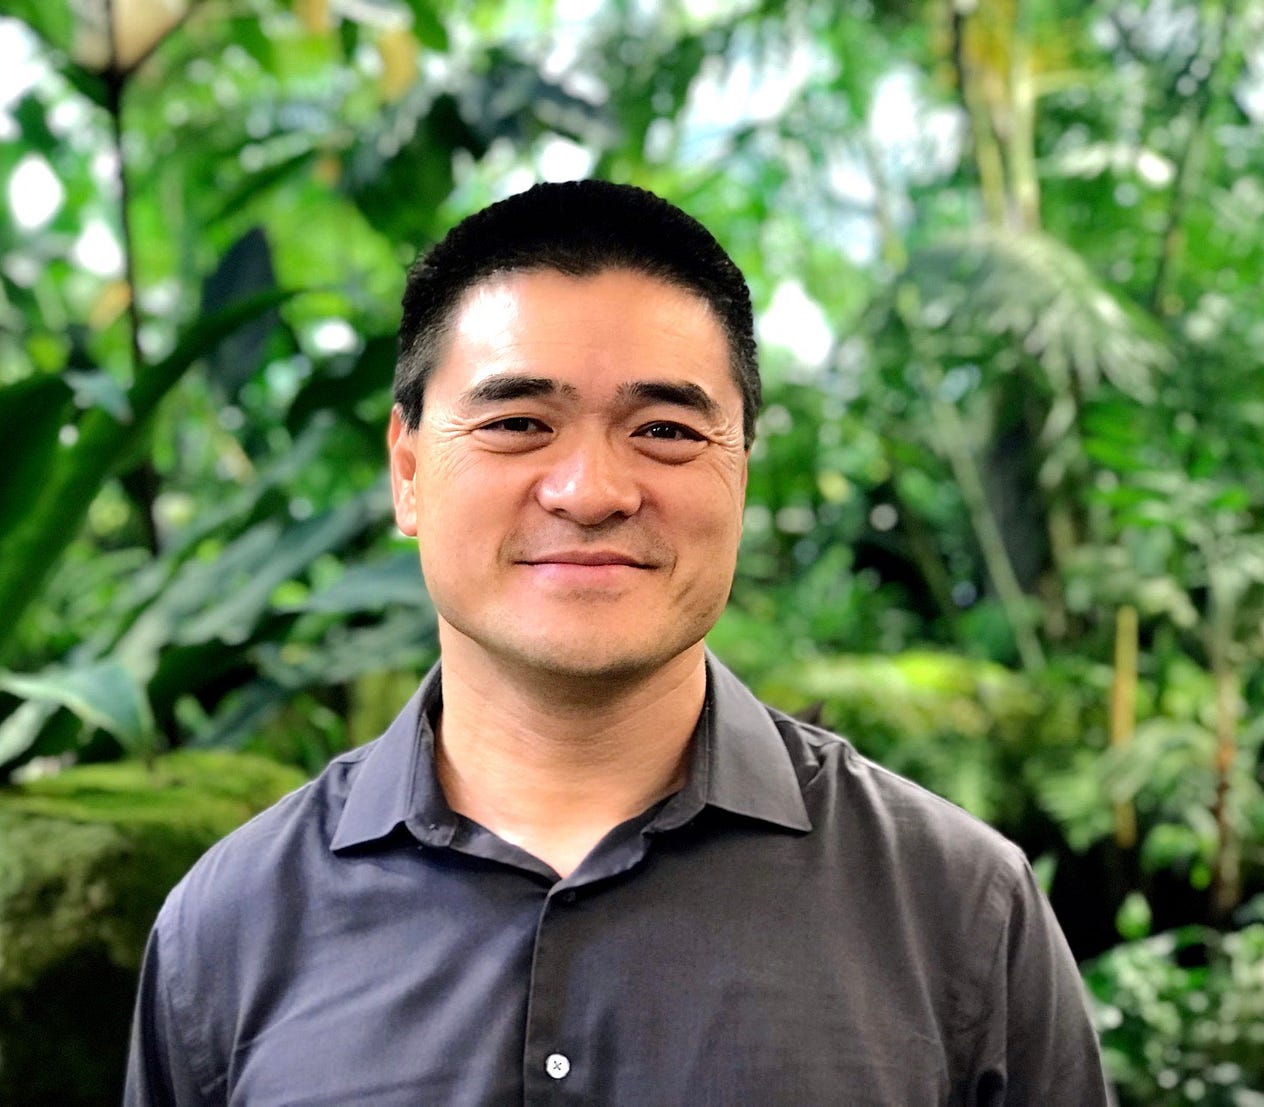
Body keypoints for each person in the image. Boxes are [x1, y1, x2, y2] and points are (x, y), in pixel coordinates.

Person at [124, 180, 1107, 1105]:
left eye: (667, 430)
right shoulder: (229, 931)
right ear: (407, 470)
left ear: (743, 472)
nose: (591, 491)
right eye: (517, 422)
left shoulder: (959, 914)